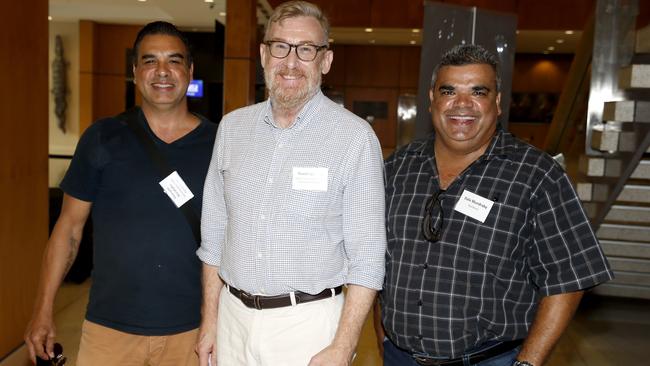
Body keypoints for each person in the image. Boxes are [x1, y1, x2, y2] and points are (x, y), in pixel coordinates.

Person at [379, 44, 613, 366]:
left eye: (478, 91)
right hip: (398, 358)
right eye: (449, 91)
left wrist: (527, 363)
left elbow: (567, 280)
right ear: (432, 99)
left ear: (498, 103)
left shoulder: (537, 176)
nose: (462, 104)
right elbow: (372, 261)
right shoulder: (397, 169)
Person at [195, 1, 386, 365]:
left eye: (306, 50)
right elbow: (214, 237)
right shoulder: (232, 130)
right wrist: (210, 321)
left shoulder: (354, 138)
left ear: (325, 61)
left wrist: (344, 345)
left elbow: (368, 257)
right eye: (281, 47)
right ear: (264, 55)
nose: (291, 62)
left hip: (309, 327)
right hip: (232, 320)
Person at [24, 21, 217, 365]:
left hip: (191, 333)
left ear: (189, 71)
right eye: (149, 60)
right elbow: (68, 229)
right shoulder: (103, 137)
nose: (162, 71)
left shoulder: (219, 144)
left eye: (174, 61)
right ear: (134, 71)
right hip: (108, 333)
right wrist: (43, 309)